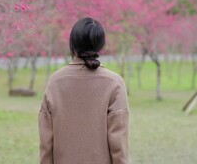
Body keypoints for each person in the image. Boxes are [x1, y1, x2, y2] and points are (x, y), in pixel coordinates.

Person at [38, 17, 129, 164]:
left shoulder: (55, 82)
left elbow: (46, 144)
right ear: (101, 46)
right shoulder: (114, 83)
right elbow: (118, 144)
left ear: (72, 44)